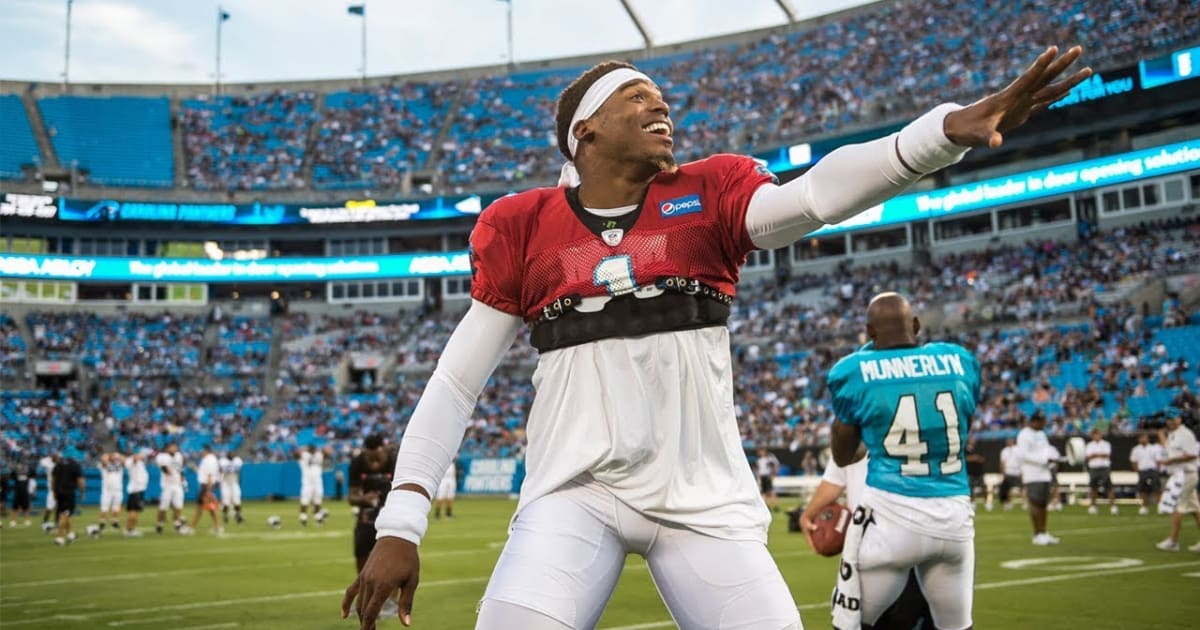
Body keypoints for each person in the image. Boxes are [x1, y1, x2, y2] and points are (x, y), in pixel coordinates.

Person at [343, 47, 1091, 630]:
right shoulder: (522, 224)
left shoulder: (708, 195)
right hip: (575, 493)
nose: (660, 105)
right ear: (587, 131)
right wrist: (401, 521)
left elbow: (816, 195)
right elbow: (454, 384)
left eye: (661, 98)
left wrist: (936, 135)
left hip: (702, 503)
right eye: (638, 97)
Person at [827, 292, 981, 629]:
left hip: (891, 519)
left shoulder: (854, 371)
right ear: (915, 324)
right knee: (956, 625)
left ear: (869, 332)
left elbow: (842, 455)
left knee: (850, 625)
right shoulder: (959, 360)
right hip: (954, 519)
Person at [799, 447, 932, 629]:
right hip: (921, 536)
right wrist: (807, 515)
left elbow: (835, 479)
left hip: (878, 543)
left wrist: (807, 516)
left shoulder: (854, 425)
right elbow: (835, 478)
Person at [1154, 410, 1200, 552]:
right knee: (1195, 510)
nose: (1170, 421)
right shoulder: (1173, 434)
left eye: (1173, 418)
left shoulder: (1185, 434)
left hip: (1186, 474)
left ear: (1179, 419)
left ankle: (1173, 541)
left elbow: (1192, 455)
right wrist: (1161, 436)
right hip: (1180, 474)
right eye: (1168, 419)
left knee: (1176, 507)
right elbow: (1170, 450)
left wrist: (1172, 460)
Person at [1017, 412, 1060, 544]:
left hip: (1044, 474)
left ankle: (1044, 532)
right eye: (1042, 422)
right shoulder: (1024, 435)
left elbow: (1046, 450)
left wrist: (1052, 458)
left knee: (1043, 504)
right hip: (1032, 474)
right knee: (1035, 503)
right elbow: (1024, 455)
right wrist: (1042, 460)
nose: (1044, 424)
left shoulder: (1041, 434)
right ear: (1035, 421)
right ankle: (1037, 534)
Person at [52, 448, 85, 546]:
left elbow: (53, 480)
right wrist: (82, 492)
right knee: (64, 514)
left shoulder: (58, 465)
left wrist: (54, 491)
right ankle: (59, 537)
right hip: (69, 492)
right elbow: (81, 481)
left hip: (59, 492)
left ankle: (70, 534)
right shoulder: (75, 465)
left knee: (66, 513)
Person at [1130, 431, 1165, 515]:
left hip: (1152, 470)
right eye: (1141, 438)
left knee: (1157, 489)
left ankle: (1160, 507)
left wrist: (1158, 470)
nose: (1143, 439)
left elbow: (1158, 461)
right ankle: (1144, 507)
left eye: (1144, 437)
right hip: (1142, 471)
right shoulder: (1136, 449)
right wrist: (1137, 471)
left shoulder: (1154, 448)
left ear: (1148, 439)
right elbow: (1134, 461)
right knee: (1143, 490)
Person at [189, 445, 222, 535]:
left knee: (203, 508)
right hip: (205, 485)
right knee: (206, 508)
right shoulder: (207, 459)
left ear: (206, 450)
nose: (201, 452)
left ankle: (192, 528)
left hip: (206, 486)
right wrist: (195, 469)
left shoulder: (210, 460)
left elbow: (210, 475)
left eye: (202, 450)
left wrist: (208, 490)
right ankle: (217, 527)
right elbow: (203, 473)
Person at [155, 443, 187, 534]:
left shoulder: (178, 456)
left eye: (175, 447)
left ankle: (177, 525)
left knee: (178, 506)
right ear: (168, 448)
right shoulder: (162, 456)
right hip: (167, 485)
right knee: (163, 506)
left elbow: (180, 469)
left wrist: (183, 480)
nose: (174, 448)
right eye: (172, 447)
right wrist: (171, 473)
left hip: (177, 484)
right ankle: (159, 524)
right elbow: (164, 469)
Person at [1085, 428, 1117, 515]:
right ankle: (1093, 506)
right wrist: (1099, 455)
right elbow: (1089, 456)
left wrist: (1095, 455)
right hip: (1094, 468)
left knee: (1109, 487)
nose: (1096, 436)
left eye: (1097, 434)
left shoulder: (1106, 444)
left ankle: (1113, 506)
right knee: (1093, 488)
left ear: (1100, 435)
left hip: (1104, 468)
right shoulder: (1089, 445)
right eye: (1094, 434)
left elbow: (1106, 454)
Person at [96, 452, 125, 535]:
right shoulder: (103, 465)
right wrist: (107, 456)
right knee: (104, 508)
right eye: (111, 456)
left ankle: (115, 522)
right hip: (107, 490)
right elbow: (103, 460)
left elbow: (124, 460)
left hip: (118, 489)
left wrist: (118, 455)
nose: (113, 457)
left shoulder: (119, 464)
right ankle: (102, 523)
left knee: (116, 507)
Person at [298, 445, 328, 526]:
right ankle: (303, 517)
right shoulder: (304, 455)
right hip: (307, 482)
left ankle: (317, 518)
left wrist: (325, 450)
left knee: (318, 500)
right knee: (305, 501)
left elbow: (326, 454)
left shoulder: (319, 455)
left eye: (313, 449)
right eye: (311, 449)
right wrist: (300, 450)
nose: (313, 450)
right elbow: (296, 455)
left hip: (318, 481)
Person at [124, 449, 149, 536]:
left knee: (135, 511)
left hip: (139, 490)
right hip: (136, 490)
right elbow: (133, 460)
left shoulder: (140, 463)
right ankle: (130, 529)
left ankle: (129, 529)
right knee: (134, 511)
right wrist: (137, 456)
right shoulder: (130, 461)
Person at [995, 437, 1023, 512]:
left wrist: (1022, 472)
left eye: (1010, 440)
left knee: (1020, 489)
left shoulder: (1018, 450)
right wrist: (1003, 473)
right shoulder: (1004, 451)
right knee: (1007, 489)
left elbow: (1021, 461)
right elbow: (1002, 462)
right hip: (1008, 472)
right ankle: (1008, 503)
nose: (1009, 442)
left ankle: (1025, 503)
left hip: (1017, 472)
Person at [219, 451, 245, 525]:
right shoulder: (222, 461)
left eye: (232, 454)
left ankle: (238, 516)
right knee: (226, 502)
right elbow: (222, 471)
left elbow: (238, 471)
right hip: (225, 483)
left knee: (237, 501)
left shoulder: (238, 460)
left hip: (234, 483)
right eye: (230, 454)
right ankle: (225, 516)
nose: (231, 455)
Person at [756, 446, 781, 513]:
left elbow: (776, 465)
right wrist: (759, 477)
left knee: (771, 491)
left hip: (767, 476)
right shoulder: (759, 460)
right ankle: (767, 506)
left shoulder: (769, 459)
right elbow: (759, 470)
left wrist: (773, 474)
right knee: (764, 492)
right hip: (762, 477)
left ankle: (775, 506)